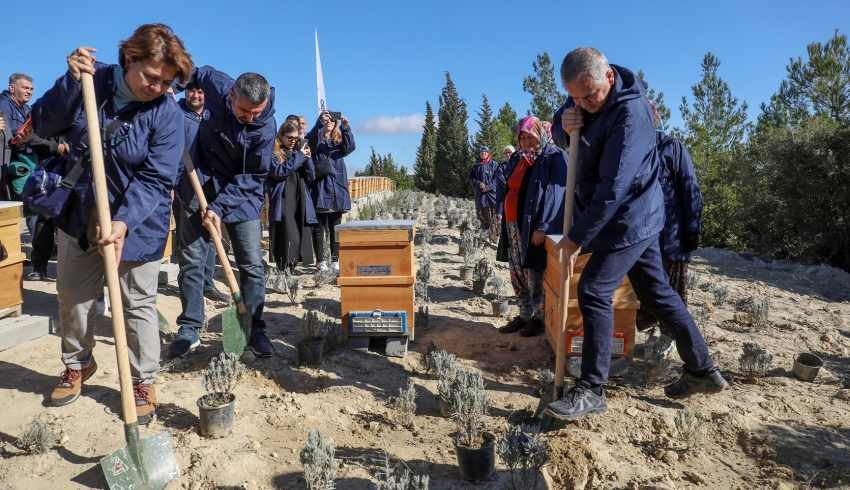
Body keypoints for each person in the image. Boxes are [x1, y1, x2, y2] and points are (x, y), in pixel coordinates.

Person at [545, 48, 726, 421]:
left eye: (588, 96)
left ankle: (591, 389)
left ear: (609, 76)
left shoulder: (632, 114)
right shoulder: (584, 92)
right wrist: (562, 123)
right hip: (616, 216)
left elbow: (615, 188)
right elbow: (561, 132)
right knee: (657, 294)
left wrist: (575, 238)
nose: (583, 103)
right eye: (574, 97)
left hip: (631, 217)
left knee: (594, 288)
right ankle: (702, 370)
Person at [31, 24, 193, 423]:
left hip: (139, 225)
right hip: (80, 214)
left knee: (137, 304)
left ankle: (142, 379)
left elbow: (157, 178)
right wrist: (69, 84)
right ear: (129, 59)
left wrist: (122, 223)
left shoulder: (167, 114)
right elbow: (43, 125)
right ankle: (78, 364)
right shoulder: (90, 80)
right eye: (151, 77)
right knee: (74, 297)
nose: (157, 87)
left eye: (166, 82)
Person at [168, 64, 276, 358]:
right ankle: (190, 328)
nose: (250, 118)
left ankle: (254, 330)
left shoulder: (264, 127)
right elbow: (189, 70)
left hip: (242, 194)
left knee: (252, 264)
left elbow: (253, 177)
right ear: (230, 95)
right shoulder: (215, 83)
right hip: (199, 179)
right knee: (191, 259)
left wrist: (218, 208)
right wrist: (171, 86)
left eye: (257, 112)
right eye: (244, 111)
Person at [637, 102, 703, 359]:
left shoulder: (671, 147)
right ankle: (655, 334)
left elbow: (690, 188)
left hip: (671, 237)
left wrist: (692, 228)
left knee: (671, 292)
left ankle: (671, 340)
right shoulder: (631, 150)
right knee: (645, 292)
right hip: (641, 237)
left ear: (654, 119)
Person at [495, 116, 566, 337]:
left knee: (533, 272)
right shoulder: (520, 158)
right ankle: (524, 314)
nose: (526, 141)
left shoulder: (550, 158)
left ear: (541, 134)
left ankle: (538, 318)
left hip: (532, 226)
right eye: (522, 137)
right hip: (513, 224)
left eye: (530, 136)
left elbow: (553, 195)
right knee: (516, 270)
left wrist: (543, 226)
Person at [1, 73, 70, 280]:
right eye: (25, 88)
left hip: (39, 166)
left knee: (39, 214)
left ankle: (35, 259)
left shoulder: (29, 110)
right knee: (36, 212)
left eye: (31, 89)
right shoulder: (3, 106)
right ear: (12, 88)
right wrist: (54, 147)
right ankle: (34, 264)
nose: (29, 92)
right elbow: (19, 139)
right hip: (15, 167)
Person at [307, 110, 355, 273]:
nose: (329, 122)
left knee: (336, 227)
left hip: (337, 188)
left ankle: (335, 260)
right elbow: (309, 140)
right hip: (320, 187)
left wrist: (347, 128)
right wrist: (319, 122)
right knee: (319, 227)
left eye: (332, 120)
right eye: (326, 120)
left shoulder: (338, 141)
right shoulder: (315, 139)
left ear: (336, 124)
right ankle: (320, 262)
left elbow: (350, 148)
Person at [268, 118, 316, 272]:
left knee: (299, 235)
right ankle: (284, 268)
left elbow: (311, 176)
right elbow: (279, 172)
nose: (293, 141)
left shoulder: (297, 152)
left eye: (296, 138)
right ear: (281, 136)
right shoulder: (274, 153)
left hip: (299, 198)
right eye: (290, 138)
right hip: (284, 199)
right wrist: (300, 157)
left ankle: (292, 266)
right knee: (287, 234)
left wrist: (307, 158)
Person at [469, 147, 499, 241]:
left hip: (491, 196)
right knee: (481, 215)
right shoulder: (476, 166)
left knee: (493, 217)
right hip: (480, 195)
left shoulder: (494, 164)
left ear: (488, 153)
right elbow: (471, 178)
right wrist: (478, 183)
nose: (483, 153)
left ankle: (494, 238)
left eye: (485, 152)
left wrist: (488, 187)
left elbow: (497, 179)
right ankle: (485, 236)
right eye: (481, 152)